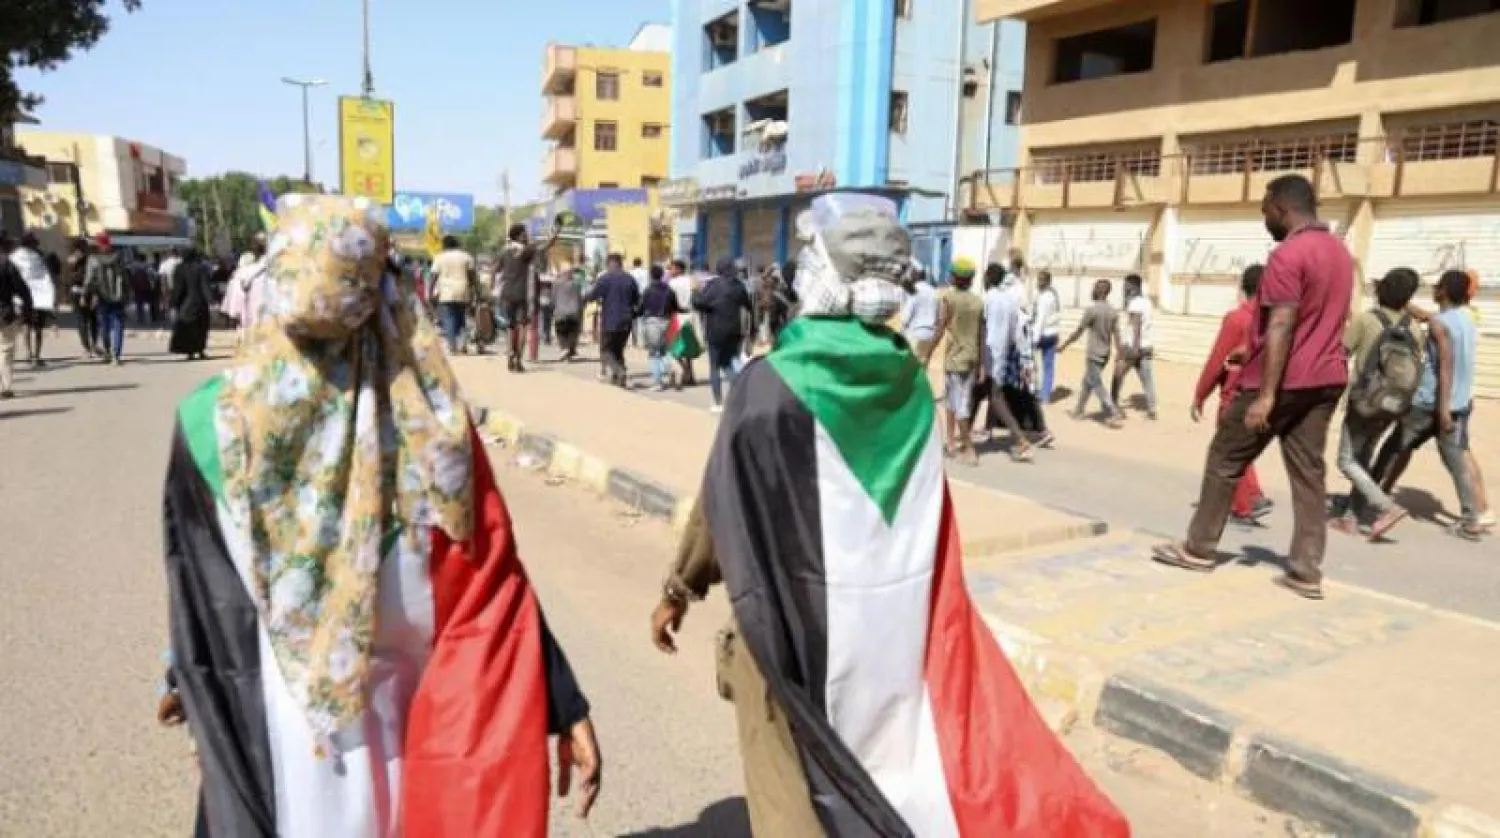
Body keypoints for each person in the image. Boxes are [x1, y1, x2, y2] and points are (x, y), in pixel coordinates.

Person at [648, 195, 1128, 838]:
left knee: (791, 790)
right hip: (890, 636)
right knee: (881, 773)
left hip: (788, 632)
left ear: (824, 278)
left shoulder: (769, 385)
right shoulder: (907, 381)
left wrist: (678, 589)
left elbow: (722, 500)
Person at [156, 194, 601, 836]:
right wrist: (560, 697)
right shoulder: (435, 435)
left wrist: (185, 676)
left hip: (288, 754)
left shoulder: (211, 426)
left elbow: (203, 593)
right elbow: (494, 589)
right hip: (425, 746)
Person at [1154, 174, 1353, 601]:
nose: (1265, 219)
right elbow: (1318, 317)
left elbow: (1282, 322)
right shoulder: (1340, 252)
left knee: (1225, 458)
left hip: (1283, 382)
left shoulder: (1287, 254)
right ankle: (1306, 571)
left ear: (1281, 208)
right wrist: (1253, 348)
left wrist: (1265, 395)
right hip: (1325, 379)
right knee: (1309, 474)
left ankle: (1198, 548)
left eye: (1265, 211)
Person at [1370, 271, 1484, 540]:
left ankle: (1364, 498)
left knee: (1392, 450)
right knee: (1456, 463)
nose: (1433, 288)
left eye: (1437, 286)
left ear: (1444, 291)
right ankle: (1471, 519)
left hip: (1430, 404)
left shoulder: (1440, 324)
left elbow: (1445, 367)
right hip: (1459, 403)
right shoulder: (1465, 319)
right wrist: (1397, 296)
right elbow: (1426, 317)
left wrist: (1442, 410)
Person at [1328, 267, 1422, 539]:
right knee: (1364, 456)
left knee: (1346, 460)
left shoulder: (1365, 320)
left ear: (1381, 290)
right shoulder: (1414, 327)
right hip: (1395, 405)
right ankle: (1351, 518)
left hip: (1364, 402)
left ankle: (1386, 507)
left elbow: (1340, 355)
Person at [1193, 264, 1275, 527]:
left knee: (1227, 452)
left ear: (1243, 287)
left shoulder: (1237, 319)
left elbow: (1217, 360)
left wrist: (1200, 394)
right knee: (1241, 448)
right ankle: (1250, 497)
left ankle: (1248, 501)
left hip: (1236, 394)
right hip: (1265, 394)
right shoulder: (1277, 321)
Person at [931, 257, 985, 464]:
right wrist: (981, 365)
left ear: (957, 278)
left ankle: (969, 449)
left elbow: (940, 328)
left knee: (960, 405)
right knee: (954, 401)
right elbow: (981, 335)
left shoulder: (948, 299)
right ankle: (952, 443)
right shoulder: (978, 302)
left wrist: (927, 354)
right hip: (971, 359)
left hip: (955, 359)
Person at [981, 263, 1038, 461]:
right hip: (1003, 355)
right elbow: (1017, 333)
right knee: (989, 394)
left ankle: (1020, 440)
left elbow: (982, 329)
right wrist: (1024, 360)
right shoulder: (1011, 300)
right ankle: (984, 432)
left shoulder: (987, 299)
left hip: (987, 354)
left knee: (994, 397)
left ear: (988, 277)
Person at [1060, 279, 1124, 428]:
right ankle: (1078, 411)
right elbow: (1117, 335)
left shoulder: (1092, 310)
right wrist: (1120, 353)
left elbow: (1079, 331)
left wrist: (1064, 345)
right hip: (1105, 353)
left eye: (1095, 288)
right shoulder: (1113, 311)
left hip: (1094, 353)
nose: (1092, 291)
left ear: (1100, 291)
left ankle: (1113, 411)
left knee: (1096, 383)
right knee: (1087, 381)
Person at [497, 223, 560, 372]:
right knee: (523, 326)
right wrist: (555, 235)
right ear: (519, 236)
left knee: (510, 327)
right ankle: (518, 359)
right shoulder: (527, 250)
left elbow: (496, 269)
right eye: (525, 233)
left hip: (506, 293)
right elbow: (546, 246)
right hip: (522, 294)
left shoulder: (504, 251)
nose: (527, 235)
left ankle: (510, 353)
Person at [692, 257, 752, 413]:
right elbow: (748, 304)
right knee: (727, 363)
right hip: (734, 331)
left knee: (714, 367)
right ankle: (742, 392)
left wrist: (695, 291)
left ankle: (718, 402)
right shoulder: (738, 285)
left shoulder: (713, 285)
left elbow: (699, 303)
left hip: (715, 331)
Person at [585, 253, 640, 387]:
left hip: (610, 320)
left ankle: (619, 371)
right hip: (626, 320)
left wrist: (586, 297)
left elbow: (592, 296)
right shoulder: (630, 279)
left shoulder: (605, 279)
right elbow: (637, 300)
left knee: (606, 350)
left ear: (609, 263)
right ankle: (618, 379)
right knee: (619, 349)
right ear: (620, 263)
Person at [1112, 273, 1159, 420]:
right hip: (1146, 345)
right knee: (1147, 379)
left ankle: (1113, 405)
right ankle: (1152, 408)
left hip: (1134, 346)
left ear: (1133, 287)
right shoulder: (1147, 302)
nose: (1125, 289)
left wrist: (1134, 348)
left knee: (1118, 374)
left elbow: (1136, 325)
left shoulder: (1135, 303)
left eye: (1126, 286)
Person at [9, 232, 54, 367]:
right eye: (34, 243)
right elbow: (46, 276)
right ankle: (35, 355)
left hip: (25, 296)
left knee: (28, 325)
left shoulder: (15, 257)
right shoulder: (38, 256)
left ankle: (31, 354)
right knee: (35, 326)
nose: (36, 245)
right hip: (37, 296)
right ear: (30, 243)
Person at [84, 233, 129, 365]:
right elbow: (125, 277)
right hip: (118, 296)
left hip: (101, 296)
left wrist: (85, 295)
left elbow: (89, 280)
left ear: (98, 244)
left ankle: (108, 352)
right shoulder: (118, 257)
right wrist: (127, 293)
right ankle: (116, 355)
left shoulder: (93, 259)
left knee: (104, 325)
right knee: (118, 325)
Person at [0, 233, 35, 399]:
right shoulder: (6, 263)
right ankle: (5, 387)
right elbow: (21, 288)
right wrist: (28, 306)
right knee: (5, 350)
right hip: (4, 313)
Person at [431, 236, 477, 354]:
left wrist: (430, 291)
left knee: (449, 319)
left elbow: (434, 276)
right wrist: (476, 291)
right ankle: (463, 345)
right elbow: (472, 276)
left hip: (446, 292)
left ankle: (452, 346)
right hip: (463, 290)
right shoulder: (466, 257)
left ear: (444, 245)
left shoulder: (439, 258)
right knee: (461, 318)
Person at [639, 264, 681, 391]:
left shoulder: (648, 290)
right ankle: (676, 366)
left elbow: (641, 307)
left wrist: (636, 313)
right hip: (667, 321)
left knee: (654, 353)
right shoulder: (669, 290)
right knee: (664, 350)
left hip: (652, 322)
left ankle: (657, 382)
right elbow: (675, 307)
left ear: (651, 276)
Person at [167, 248, 214, 361]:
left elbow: (177, 289)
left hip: (185, 304)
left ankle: (190, 352)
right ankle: (200, 350)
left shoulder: (179, 268)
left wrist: (173, 304)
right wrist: (211, 300)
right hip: (200, 303)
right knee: (201, 328)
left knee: (188, 328)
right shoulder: (201, 268)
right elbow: (205, 286)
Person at [665, 258, 701, 388]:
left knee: (674, 347)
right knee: (689, 348)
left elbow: (669, 301)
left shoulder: (672, 283)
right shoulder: (692, 280)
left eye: (672, 268)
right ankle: (690, 376)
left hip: (677, 316)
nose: (670, 271)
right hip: (692, 316)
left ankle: (682, 371)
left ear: (679, 269)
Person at [64, 237, 99, 358]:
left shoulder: (71, 258)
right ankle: (93, 345)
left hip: (77, 291)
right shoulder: (90, 257)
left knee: (82, 320)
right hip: (89, 291)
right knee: (92, 319)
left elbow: (67, 277)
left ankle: (87, 348)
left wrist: (67, 292)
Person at [900, 263, 939, 363]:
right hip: (930, 335)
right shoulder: (934, 291)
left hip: (915, 333)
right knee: (922, 365)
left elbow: (906, 316)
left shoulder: (913, 290)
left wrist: (901, 332)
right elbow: (937, 316)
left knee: (909, 365)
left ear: (916, 276)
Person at [1033, 269, 1062, 402]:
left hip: (1042, 334)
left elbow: (1040, 319)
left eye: (1040, 280)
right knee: (1048, 365)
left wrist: (1035, 339)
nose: (1038, 282)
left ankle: (1033, 390)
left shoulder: (1044, 298)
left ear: (1046, 282)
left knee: (1031, 362)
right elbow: (1058, 315)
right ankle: (1045, 395)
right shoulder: (1054, 295)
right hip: (1052, 333)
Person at [552, 266, 585, 362]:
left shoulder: (556, 283)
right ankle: (569, 350)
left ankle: (564, 348)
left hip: (560, 312)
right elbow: (580, 297)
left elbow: (553, 297)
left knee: (561, 332)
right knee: (572, 332)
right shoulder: (576, 284)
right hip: (574, 312)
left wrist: (553, 307)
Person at [629, 257, 649, 348]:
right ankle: (643, 342)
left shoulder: (630, 273)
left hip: (633, 297)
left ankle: (634, 341)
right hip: (644, 296)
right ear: (641, 263)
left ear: (634, 264)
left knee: (633, 320)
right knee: (643, 319)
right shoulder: (646, 272)